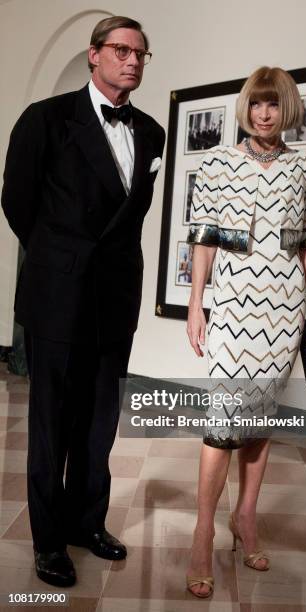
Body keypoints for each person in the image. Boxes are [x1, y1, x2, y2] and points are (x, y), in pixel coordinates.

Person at [1, 16, 165, 587]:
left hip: (115, 299)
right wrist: (61, 261)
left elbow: (132, 217)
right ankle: (49, 542)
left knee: (99, 424)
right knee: (51, 426)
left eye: (142, 54)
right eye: (121, 50)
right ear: (93, 55)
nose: (133, 61)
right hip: (59, 296)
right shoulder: (45, 119)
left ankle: (86, 523)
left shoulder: (150, 131)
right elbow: (18, 202)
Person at [185, 66, 306, 598]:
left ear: (286, 109)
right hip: (230, 307)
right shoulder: (217, 163)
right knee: (224, 419)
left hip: (283, 310)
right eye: (256, 105)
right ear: (246, 108)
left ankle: (245, 518)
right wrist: (196, 303)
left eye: (273, 105)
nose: (264, 114)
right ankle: (204, 531)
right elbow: (202, 240)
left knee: (260, 418)